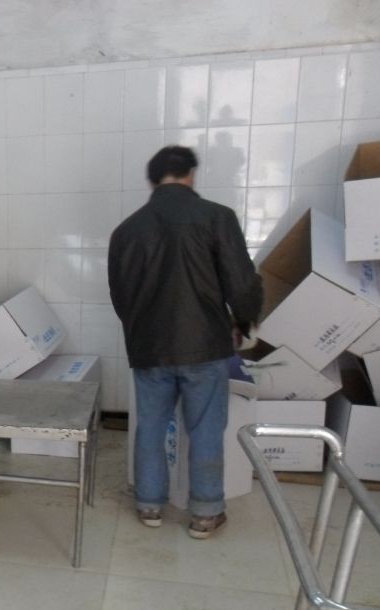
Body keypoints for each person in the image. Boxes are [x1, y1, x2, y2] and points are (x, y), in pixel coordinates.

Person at [108, 145, 263, 539]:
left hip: (149, 349)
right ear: (191, 175)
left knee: (150, 427)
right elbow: (242, 283)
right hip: (205, 345)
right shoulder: (216, 217)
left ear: (152, 180)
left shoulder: (126, 230)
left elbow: (120, 296)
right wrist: (243, 320)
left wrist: (139, 331)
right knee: (206, 429)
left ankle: (149, 505)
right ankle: (205, 513)